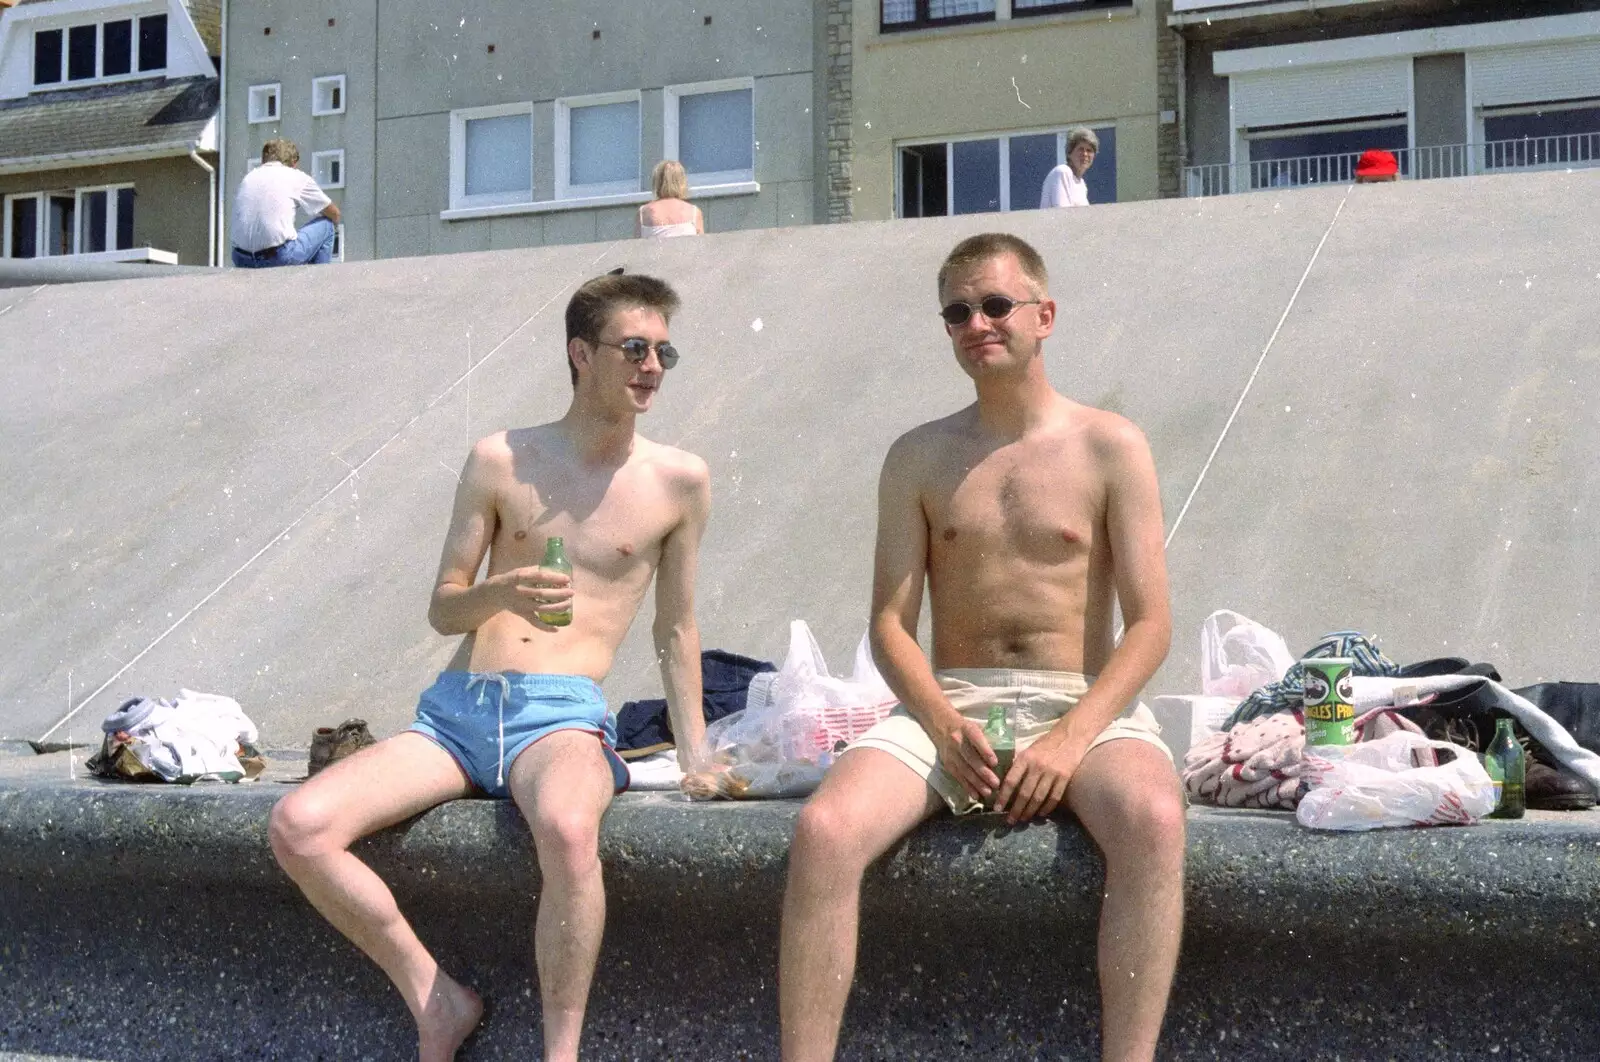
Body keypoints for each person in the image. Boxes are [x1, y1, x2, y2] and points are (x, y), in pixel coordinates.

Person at [268, 271, 713, 1062]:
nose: (652, 367)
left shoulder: (678, 481)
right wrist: (497, 592)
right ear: (582, 353)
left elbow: (676, 631)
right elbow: (444, 608)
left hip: (561, 716)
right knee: (299, 827)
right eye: (635, 348)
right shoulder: (502, 458)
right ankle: (435, 999)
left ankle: (560, 1054)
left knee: (572, 831)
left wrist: (699, 758)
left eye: (664, 352)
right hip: (457, 712)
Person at [778, 233, 1184, 1062]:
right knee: (824, 829)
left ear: (1045, 315)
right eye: (958, 311)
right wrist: (936, 720)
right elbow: (890, 623)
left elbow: (1150, 625)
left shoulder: (1111, 445)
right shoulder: (918, 455)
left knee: (1152, 817)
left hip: (1078, 700)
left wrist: (1071, 738)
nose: (977, 323)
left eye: (996, 305)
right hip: (950, 702)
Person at [231, 138, 341, 267]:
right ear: (294, 163)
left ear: (264, 160)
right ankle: (317, 282)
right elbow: (334, 214)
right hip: (277, 257)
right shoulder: (296, 176)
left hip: (241, 259)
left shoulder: (248, 178)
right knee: (327, 226)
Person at [637, 160, 704, 239]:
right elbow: (701, 248)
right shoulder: (694, 212)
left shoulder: (644, 213)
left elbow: (637, 248)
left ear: (657, 182)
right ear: (681, 182)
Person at [1040, 127, 1100, 209]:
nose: (1085, 154)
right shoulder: (1062, 172)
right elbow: (1063, 214)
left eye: (1089, 150)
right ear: (1069, 153)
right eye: (1081, 149)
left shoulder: (1082, 185)